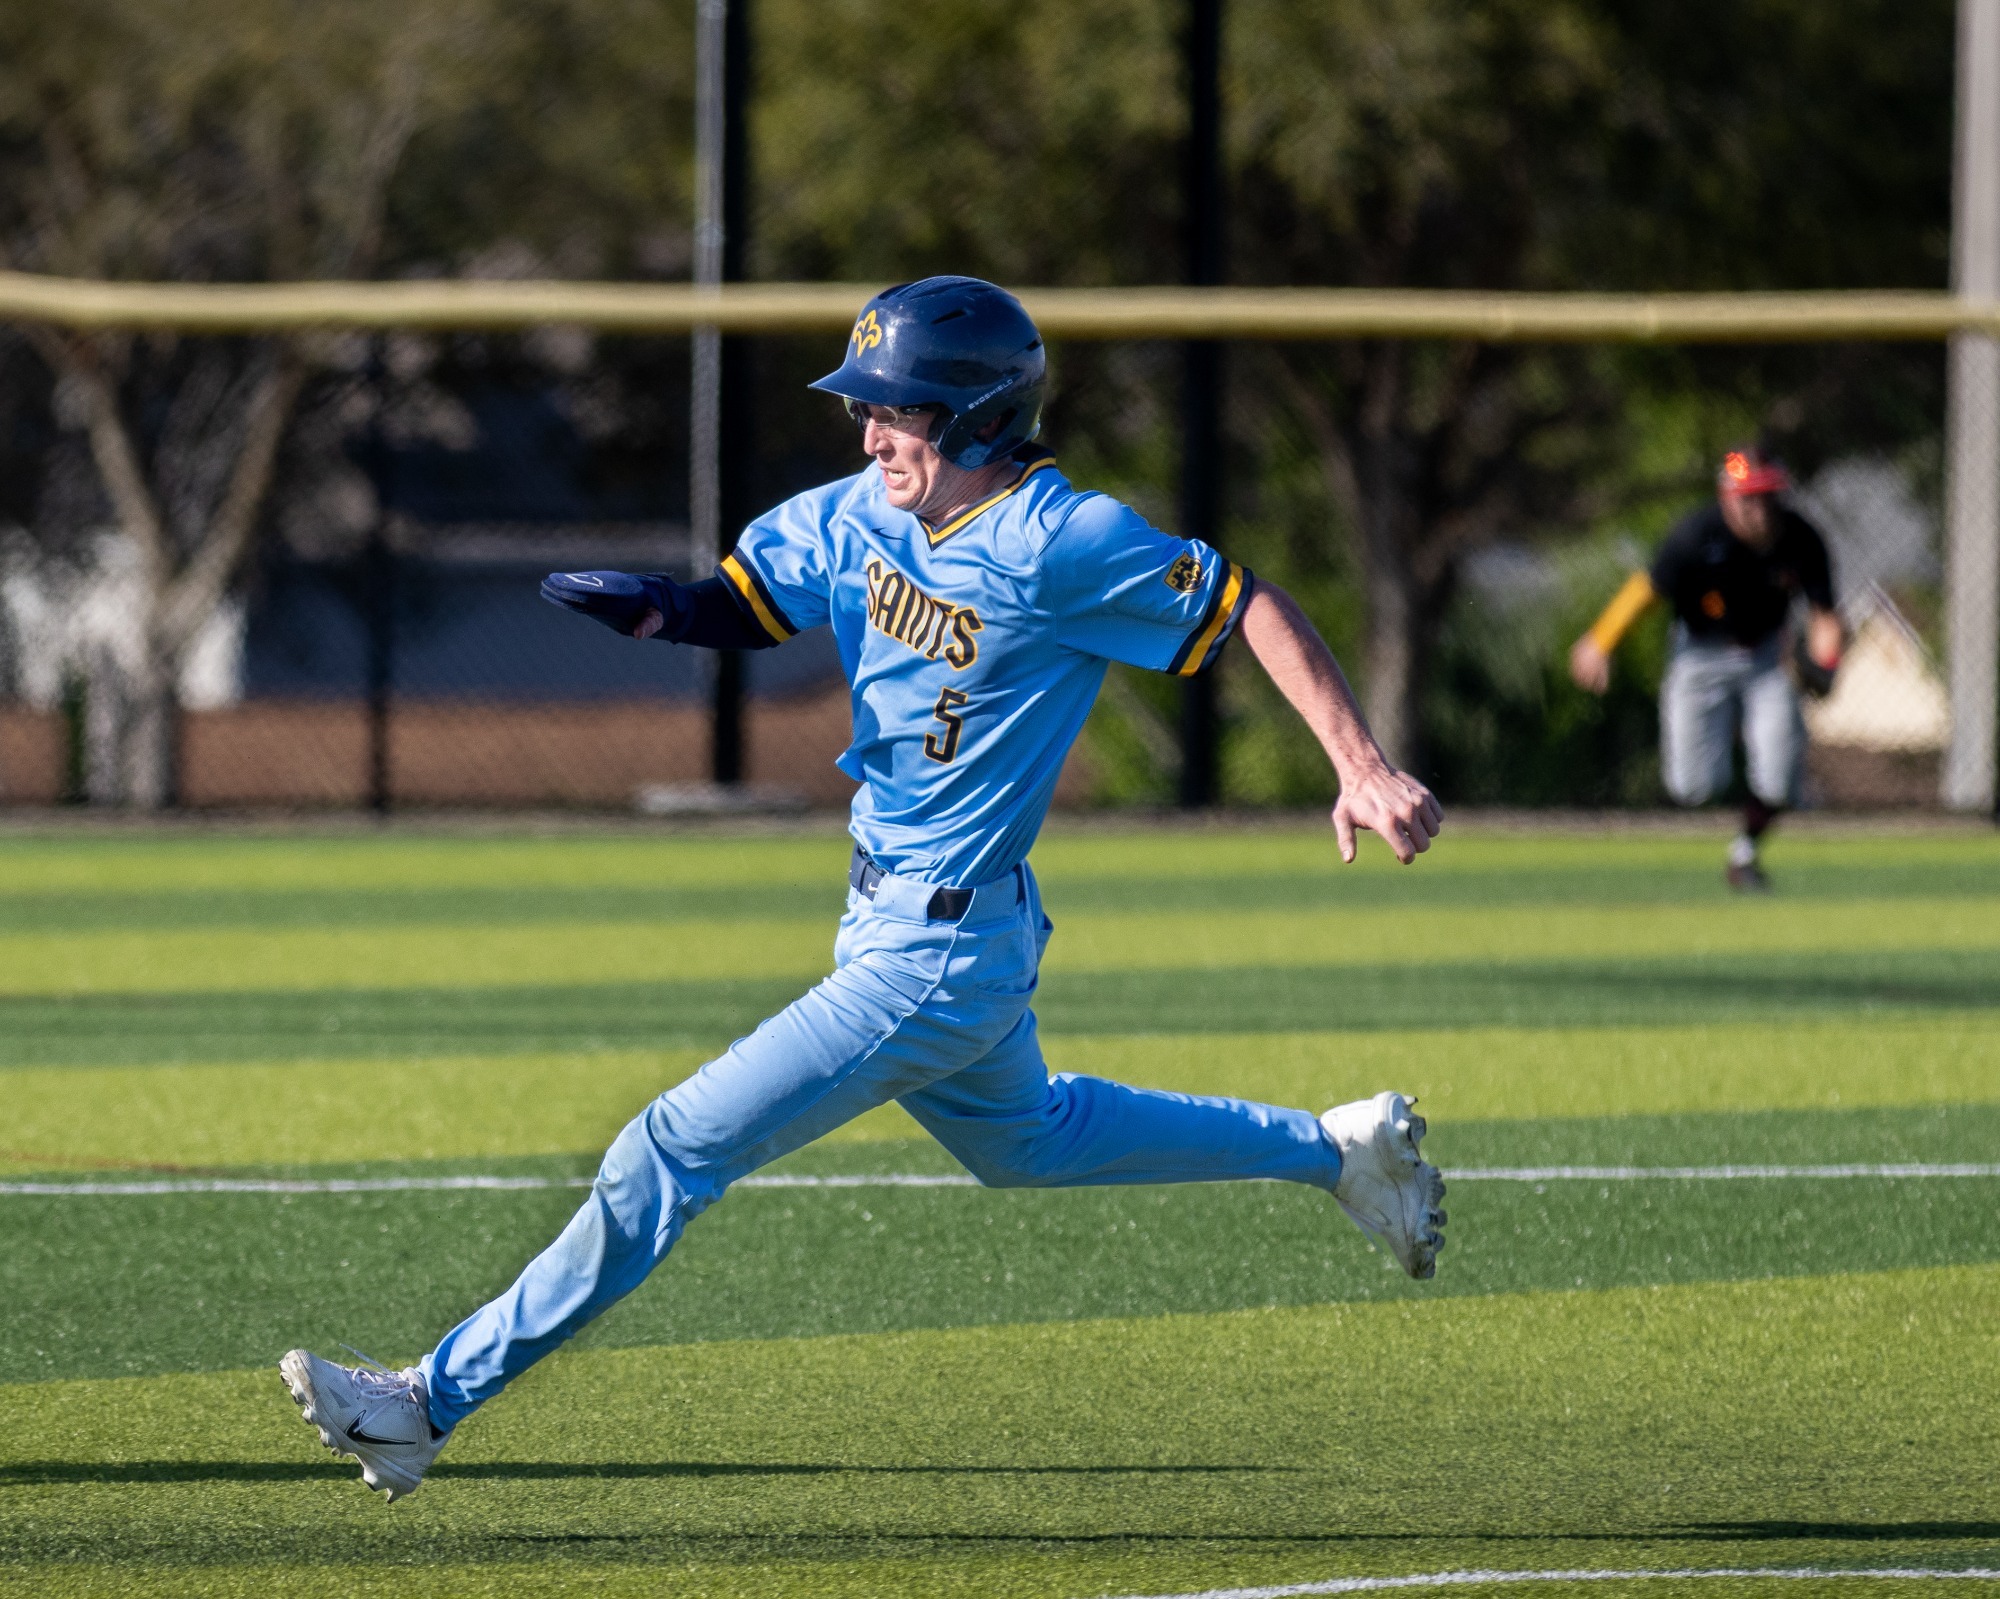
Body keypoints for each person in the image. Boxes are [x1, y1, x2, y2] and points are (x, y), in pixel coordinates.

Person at [280, 276, 1447, 1501]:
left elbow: (1244, 601)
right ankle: (1333, 1152)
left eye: (895, 410)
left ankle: (424, 1404)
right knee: (1030, 1145)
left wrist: (1357, 764)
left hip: (934, 954)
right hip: (912, 926)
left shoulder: (1062, 540)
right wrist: (659, 615)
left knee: (668, 1148)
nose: (869, 432)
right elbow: (746, 602)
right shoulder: (861, 510)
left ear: (976, 414)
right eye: (864, 410)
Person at [1569, 447, 1842, 891]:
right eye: (1748, 498)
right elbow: (1645, 592)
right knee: (1694, 785)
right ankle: (1731, 731)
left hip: (1766, 656)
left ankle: (1744, 853)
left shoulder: (1800, 537)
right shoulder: (1696, 535)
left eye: (1767, 497)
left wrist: (1828, 664)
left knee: (1778, 773)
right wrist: (1600, 642)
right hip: (1699, 655)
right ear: (1727, 498)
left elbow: (1826, 615)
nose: (1759, 509)